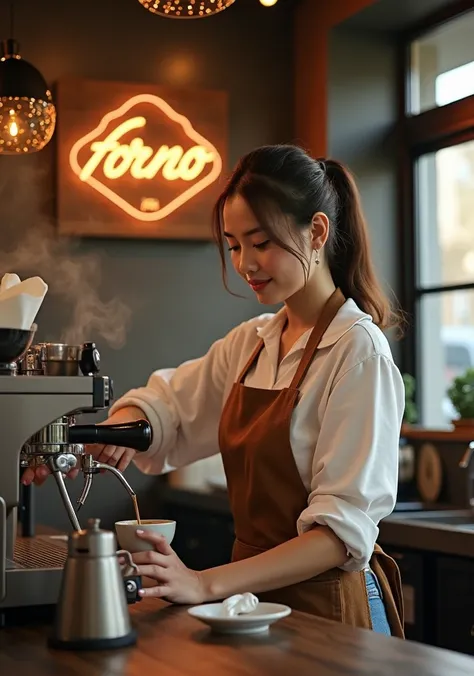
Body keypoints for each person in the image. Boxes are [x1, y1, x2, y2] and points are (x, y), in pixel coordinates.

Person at [23, 145, 405, 637]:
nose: (245, 263)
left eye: (260, 242)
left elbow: (336, 537)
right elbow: (172, 408)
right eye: (233, 245)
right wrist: (111, 431)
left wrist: (203, 584)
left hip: (329, 610)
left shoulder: (357, 351)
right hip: (251, 608)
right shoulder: (253, 343)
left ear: (316, 232)